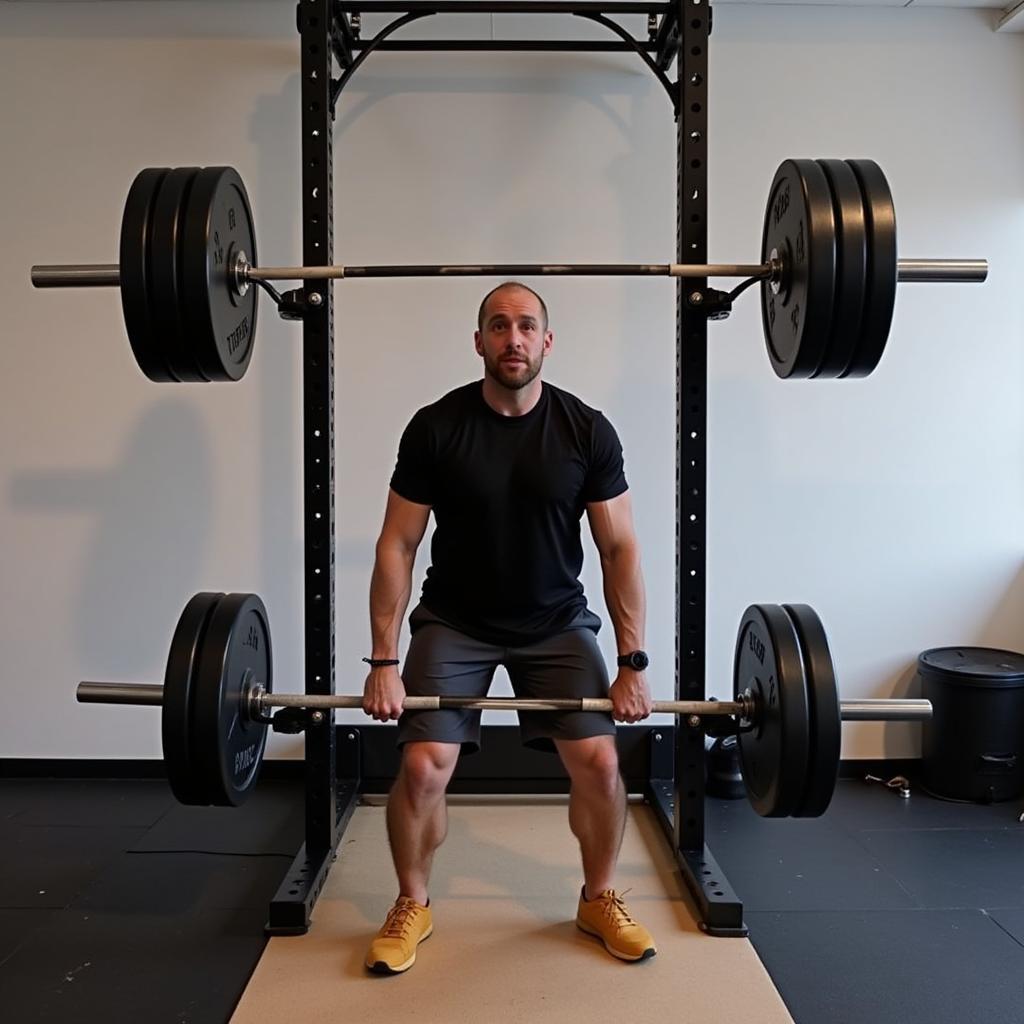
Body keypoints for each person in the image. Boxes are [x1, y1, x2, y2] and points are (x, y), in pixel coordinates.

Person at [361, 281, 655, 975]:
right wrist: (383, 659)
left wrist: (632, 661)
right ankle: (412, 901)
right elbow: (397, 544)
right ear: (479, 342)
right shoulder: (436, 428)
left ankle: (599, 896)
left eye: (527, 327)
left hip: (553, 623)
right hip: (456, 622)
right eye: (499, 326)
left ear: (547, 342)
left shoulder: (586, 430)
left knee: (602, 763)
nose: (513, 339)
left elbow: (620, 549)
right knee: (423, 765)